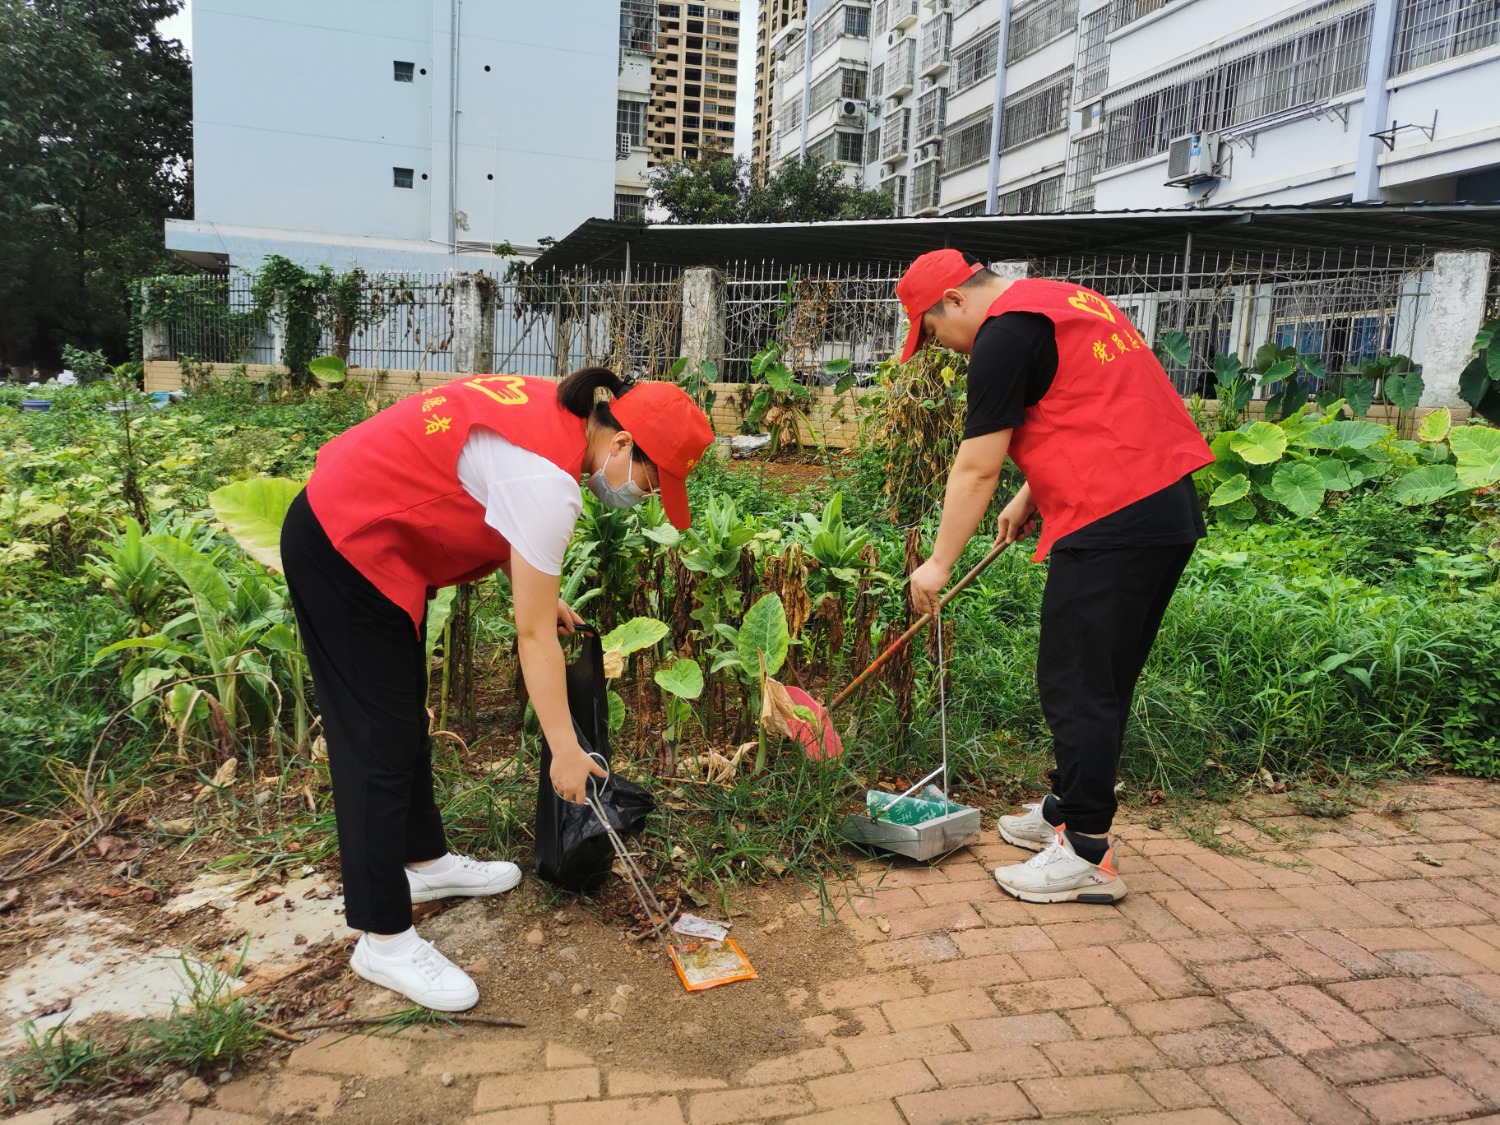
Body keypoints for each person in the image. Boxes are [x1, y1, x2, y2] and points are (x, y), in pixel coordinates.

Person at [280, 367, 715, 1009]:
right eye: (651, 484)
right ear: (622, 444)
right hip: (343, 542)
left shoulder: (558, 416)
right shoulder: (548, 483)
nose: (643, 498)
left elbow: (494, 496)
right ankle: (383, 938)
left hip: (376, 532)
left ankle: (426, 864)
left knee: (400, 718)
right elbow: (532, 637)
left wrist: (544, 593)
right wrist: (565, 751)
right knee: (375, 740)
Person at [898, 250, 1213, 906]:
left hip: (1113, 517)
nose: (941, 347)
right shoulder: (1065, 301)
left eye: (931, 332)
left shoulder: (1002, 336)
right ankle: (1066, 809)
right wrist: (1031, 495)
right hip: (1163, 507)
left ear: (955, 300)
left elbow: (977, 466)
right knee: (1101, 677)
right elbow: (1093, 404)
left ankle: (1087, 852)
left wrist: (939, 562)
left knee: (1076, 682)